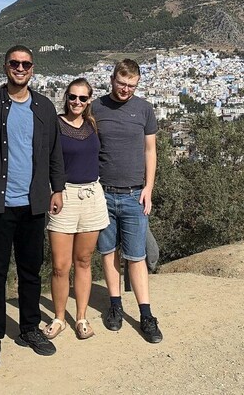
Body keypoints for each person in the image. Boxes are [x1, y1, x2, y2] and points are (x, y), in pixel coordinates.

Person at [0, 45, 65, 371]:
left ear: (32, 68)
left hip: (33, 203)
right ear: (5, 66)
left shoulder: (44, 107)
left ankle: (30, 328)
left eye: (26, 64)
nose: (20, 68)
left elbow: (54, 152)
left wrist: (58, 188)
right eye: (14, 63)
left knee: (30, 270)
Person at [93, 59, 163, 343]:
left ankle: (146, 315)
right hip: (103, 193)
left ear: (137, 84)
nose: (125, 90)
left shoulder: (144, 109)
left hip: (135, 193)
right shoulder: (96, 107)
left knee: (137, 257)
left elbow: (150, 151)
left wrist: (149, 187)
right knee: (108, 253)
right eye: (122, 84)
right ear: (112, 79)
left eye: (131, 86)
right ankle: (115, 306)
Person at [44, 78, 109, 341]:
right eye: (73, 97)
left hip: (92, 194)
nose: (77, 102)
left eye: (83, 98)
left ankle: (81, 317)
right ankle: (59, 317)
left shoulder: (93, 125)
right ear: (66, 97)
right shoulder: (56, 125)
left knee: (84, 261)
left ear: (89, 100)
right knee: (60, 265)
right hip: (64, 195)